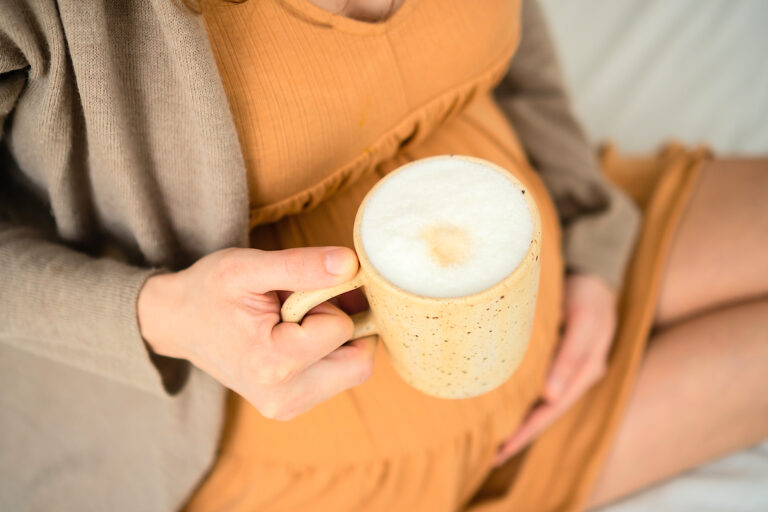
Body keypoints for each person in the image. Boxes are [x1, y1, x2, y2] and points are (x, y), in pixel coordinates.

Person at [0, 0, 765, 510]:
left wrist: (593, 244)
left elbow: (513, 37)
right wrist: (157, 315)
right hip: (344, 464)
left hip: (562, 262)